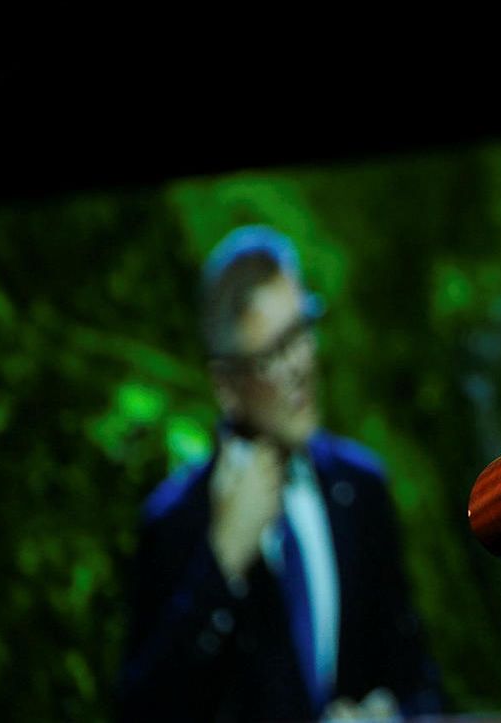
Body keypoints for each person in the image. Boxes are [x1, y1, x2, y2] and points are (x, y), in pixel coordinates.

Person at [121, 226, 443, 720]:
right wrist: (222, 560)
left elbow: (417, 676)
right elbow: (146, 708)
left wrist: (395, 714)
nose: (299, 365)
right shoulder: (175, 523)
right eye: (273, 354)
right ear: (227, 384)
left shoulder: (360, 489)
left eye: (301, 333)